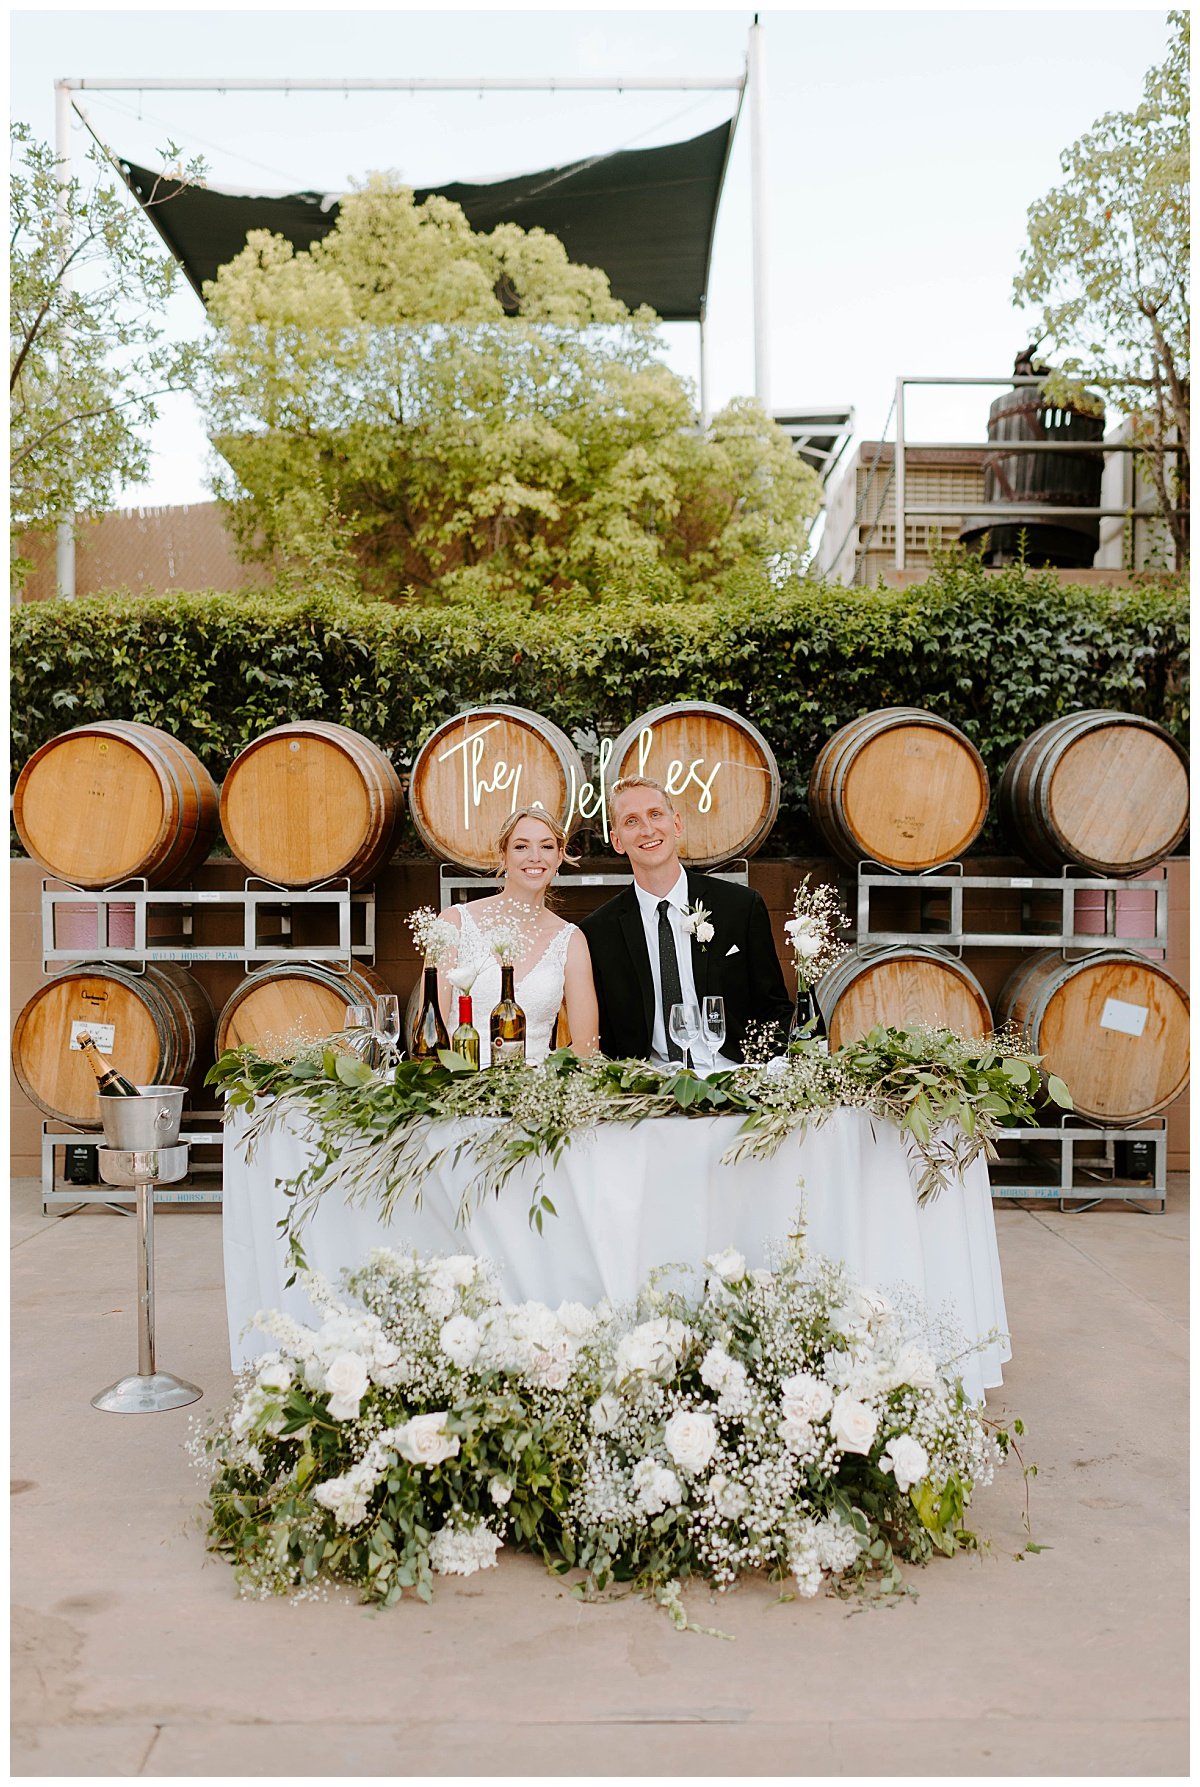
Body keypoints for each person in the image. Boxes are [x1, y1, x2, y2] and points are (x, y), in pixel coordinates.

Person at [580, 775, 793, 1065]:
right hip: (647, 1085)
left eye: (655, 814)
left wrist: (763, 1071)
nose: (647, 829)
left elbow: (775, 1007)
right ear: (617, 841)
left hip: (736, 1073)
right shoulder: (598, 932)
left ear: (676, 824)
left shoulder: (740, 907)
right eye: (631, 821)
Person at [435, 804, 600, 1066]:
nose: (535, 856)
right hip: (459, 1088)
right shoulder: (455, 923)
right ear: (503, 856)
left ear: (559, 857)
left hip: (536, 1092)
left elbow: (587, 1046)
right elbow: (431, 1032)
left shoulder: (570, 940)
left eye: (546, 847)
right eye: (521, 846)